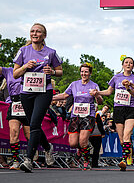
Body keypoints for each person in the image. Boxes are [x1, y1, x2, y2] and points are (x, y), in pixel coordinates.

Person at [13, 23, 63, 173]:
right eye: (32, 31)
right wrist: (25, 66)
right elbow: (15, 74)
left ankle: (28, 160)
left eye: (38, 31)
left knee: (34, 123)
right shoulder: (23, 51)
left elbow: (60, 71)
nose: (34, 34)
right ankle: (47, 147)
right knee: (33, 124)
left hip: (44, 91)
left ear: (44, 36)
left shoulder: (51, 52)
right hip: (27, 92)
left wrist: (52, 71)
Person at [53, 63, 103, 170]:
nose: (83, 74)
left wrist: (96, 95)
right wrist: (51, 98)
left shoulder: (94, 85)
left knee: (83, 140)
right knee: (73, 143)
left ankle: (86, 161)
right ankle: (83, 149)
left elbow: (100, 101)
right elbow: (64, 95)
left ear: (90, 73)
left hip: (88, 116)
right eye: (82, 71)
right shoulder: (74, 84)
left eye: (86, 72)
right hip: (75, 116)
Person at [93, 56, 134, 171]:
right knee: (122, 139)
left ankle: (123, 161)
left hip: (131, 108)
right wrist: (97, 92)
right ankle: (128, 151)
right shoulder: (116, 77)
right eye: (126, 62)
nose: (128, 64)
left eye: (131, 63)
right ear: (122, 65)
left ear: (133, 66)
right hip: (118, 109)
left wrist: (128, 87)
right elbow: (109, 91)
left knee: (127, 135)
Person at [0, 66, 30, 170]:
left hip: (28, 103)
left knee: (29, 135)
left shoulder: (31, 69)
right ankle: (16, 160)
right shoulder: (8, 70)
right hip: (14, 104)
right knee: (13, 132)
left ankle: (29, 159)